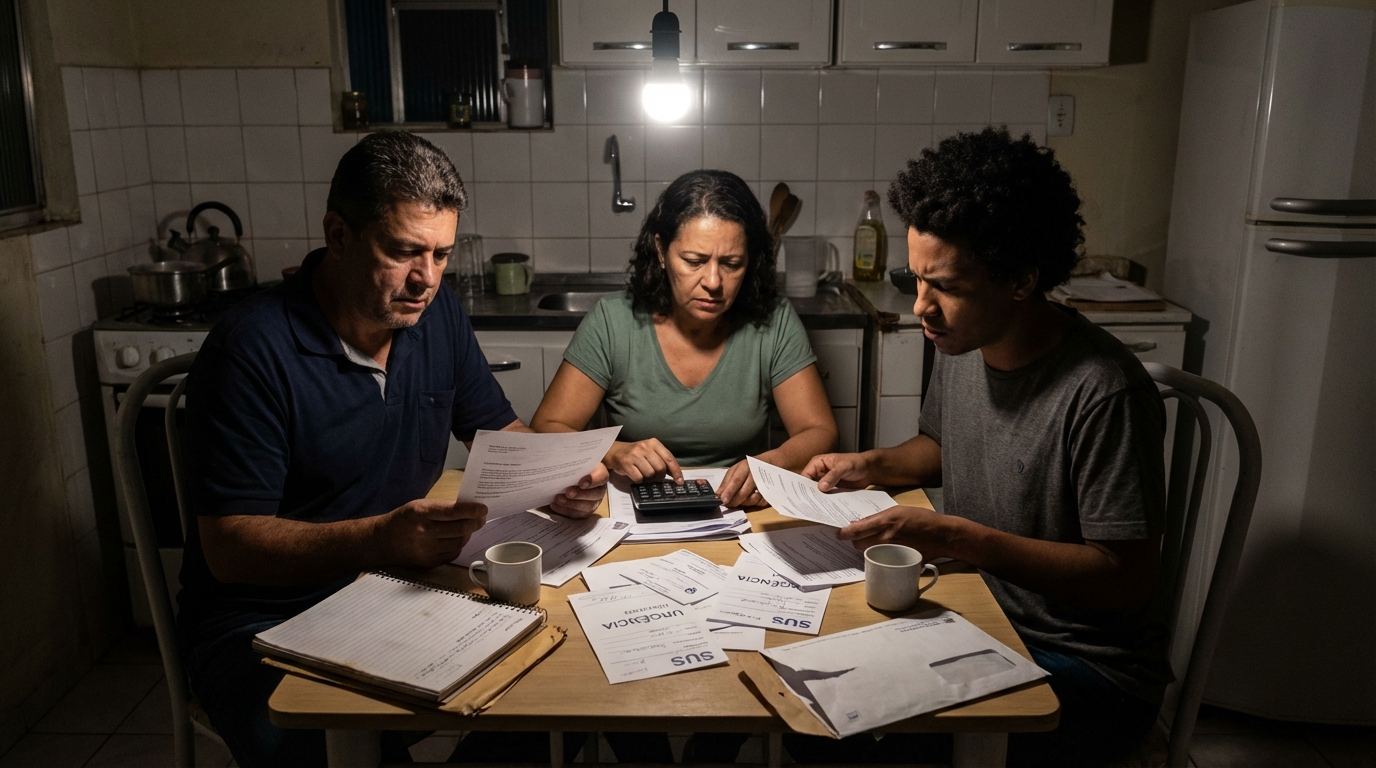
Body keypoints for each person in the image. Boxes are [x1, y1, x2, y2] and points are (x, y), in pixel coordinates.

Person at [176, 131, 607, 768]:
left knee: (558, 693)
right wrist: (380, 538)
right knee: (335, 744)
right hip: (261, 622)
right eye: (403, 251)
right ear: (339, 234)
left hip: (394, 586)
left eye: (440, 254)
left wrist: (561, 476)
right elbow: (230, 549)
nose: (424, 279)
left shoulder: (437, 315)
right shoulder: (252, 348)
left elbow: (498, 431)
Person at [793, 128, 1171, 767]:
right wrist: (871, 464)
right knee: (814, 717)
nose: (922, 309)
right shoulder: (966, 344)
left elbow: (1125, 579)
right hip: (982, 616)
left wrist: (959, 538)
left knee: (850, 745)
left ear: (1021, 278)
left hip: (1080, 667)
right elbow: (942, 444)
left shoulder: (1104, 391)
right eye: (915, 280)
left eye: (945, 287)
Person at [532, 169, 838, 509]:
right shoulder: (612, 321)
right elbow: (546, 426)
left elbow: (820, 431)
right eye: (694, 261)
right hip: (630, 507)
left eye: (732, 264)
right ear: (661, 252)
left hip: (736, 509)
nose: (713, 281)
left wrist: (773, 465)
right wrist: (613, 452)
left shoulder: (775, 320)